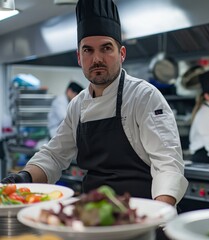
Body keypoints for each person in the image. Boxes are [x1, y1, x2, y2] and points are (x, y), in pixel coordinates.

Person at [2, 0, 188, 208]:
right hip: (93, 216)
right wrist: (22, 180)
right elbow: (54, 156)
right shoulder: (78, 105)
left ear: (122, 53)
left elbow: (168, 164)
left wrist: (159, 213)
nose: (97, 58)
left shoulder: (143, 96)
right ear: (79, 57)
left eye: (106, 48)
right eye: (88, 50)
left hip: (142, 213)